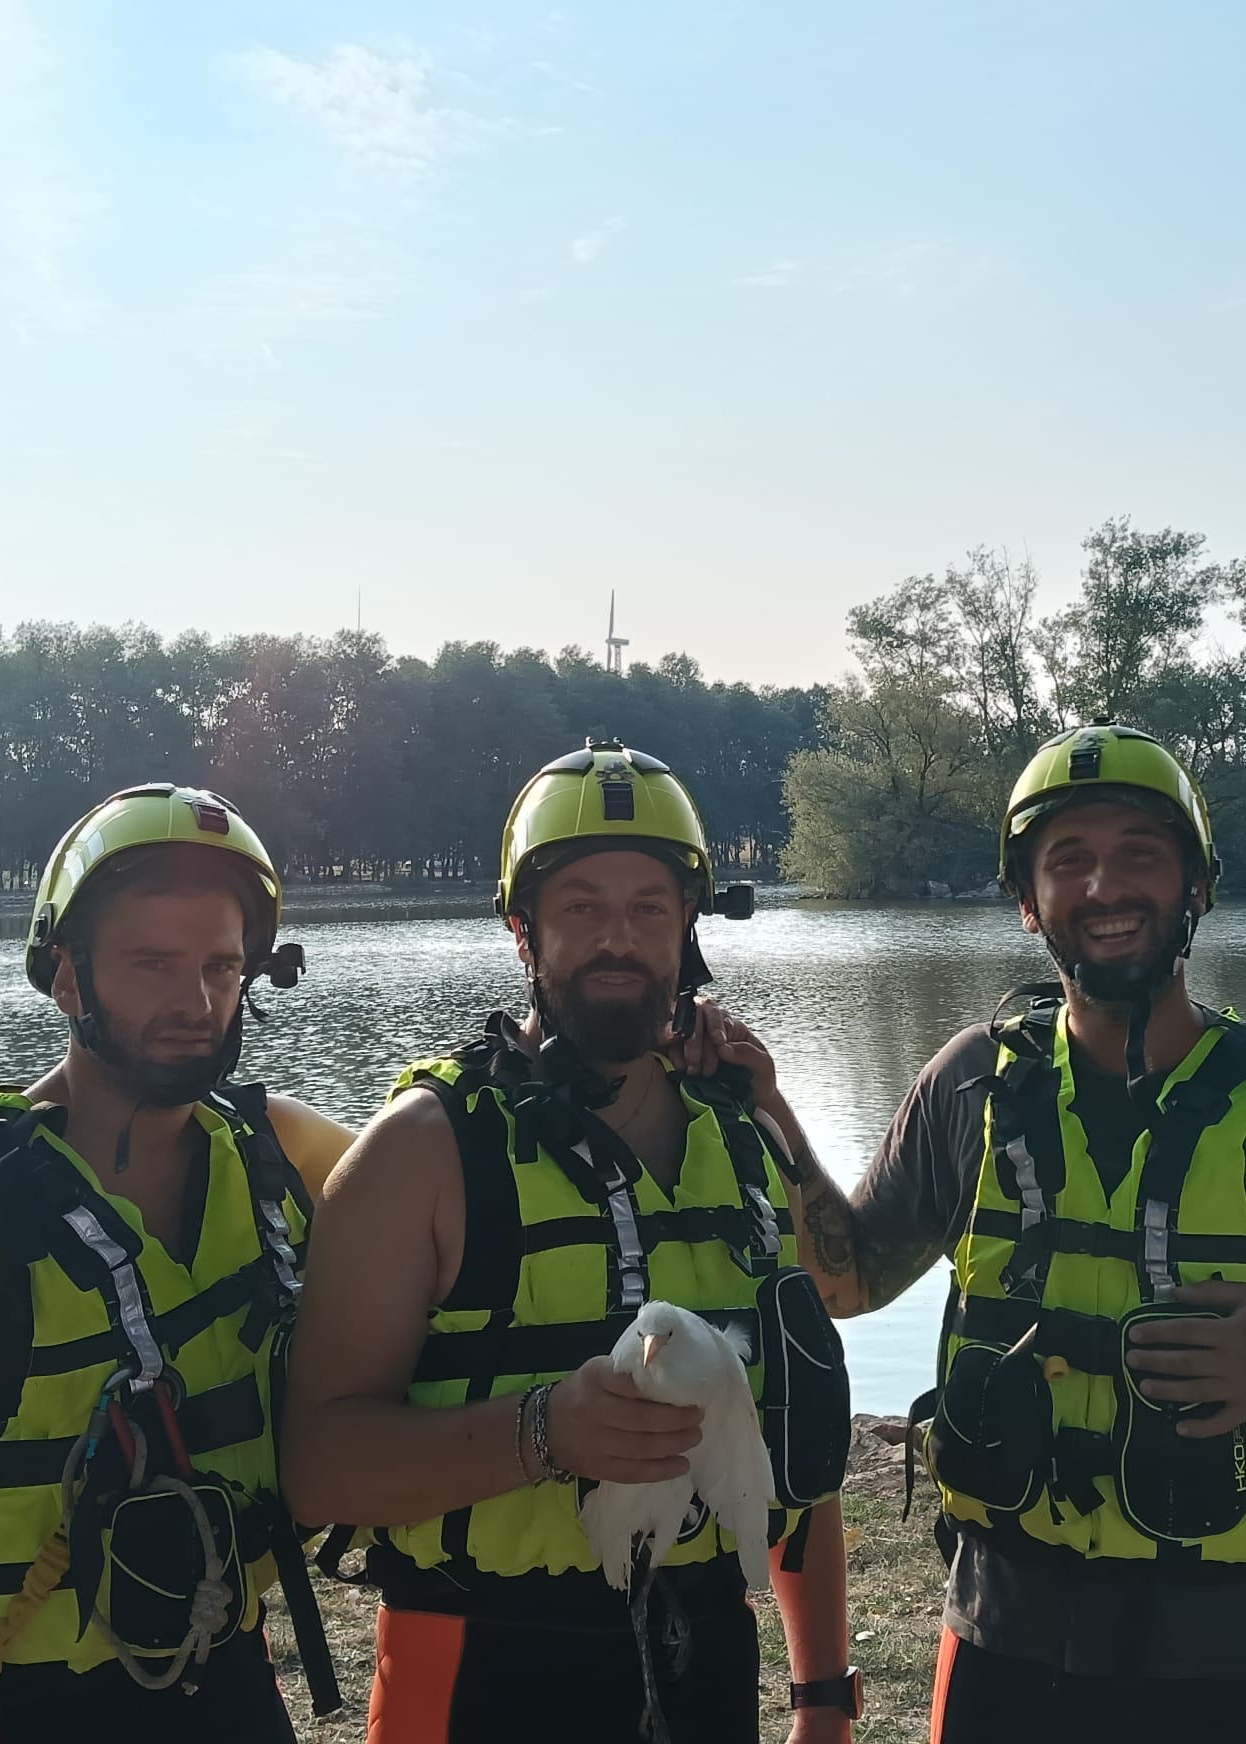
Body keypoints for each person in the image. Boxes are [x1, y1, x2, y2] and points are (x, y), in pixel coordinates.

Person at [691, 723, 1246, 1744]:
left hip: (1244, 1644)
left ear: (1198, 886)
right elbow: (848, 1280)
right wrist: (768, 1111)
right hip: (1007, 1637)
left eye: (1140, 853)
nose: (1106, 884)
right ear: (1027, 903)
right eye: (1067, 860)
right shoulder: (970, 1080)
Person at [285, 739, 856, 1744]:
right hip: (477, 1661)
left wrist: (818, 1692)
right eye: (581, 906)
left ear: (687, 925)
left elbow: (791, 1441)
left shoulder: (740, 1134)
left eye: (646, 907)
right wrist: (542, 1431)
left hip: (705, 1659)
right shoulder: (421, 1149)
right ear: (522, 929)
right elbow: (316, 1464)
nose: (617, 939)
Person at [0, 784, 353, 1744]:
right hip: (14, 1708)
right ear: (68, 978)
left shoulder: (275, 1151)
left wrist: (677, 1051)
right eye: (152, 965)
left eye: (221, 966)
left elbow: (443, 1170)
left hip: (230, 1684)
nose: (196, 1002)